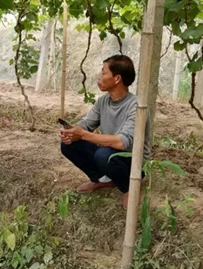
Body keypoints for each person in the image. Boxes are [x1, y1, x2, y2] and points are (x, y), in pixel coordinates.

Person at [60, 55, 150, 209]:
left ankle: (128, 188)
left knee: (103, 155)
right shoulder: (103, 101)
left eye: (103, 72)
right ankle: (103, 180)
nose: (99, 76)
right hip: (109, 154)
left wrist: (83, 134)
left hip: (133, 162)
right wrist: (72, 132)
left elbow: (122, 143)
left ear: (117, 79)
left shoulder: (136, 106)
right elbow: (86, 124)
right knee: (68, 145)